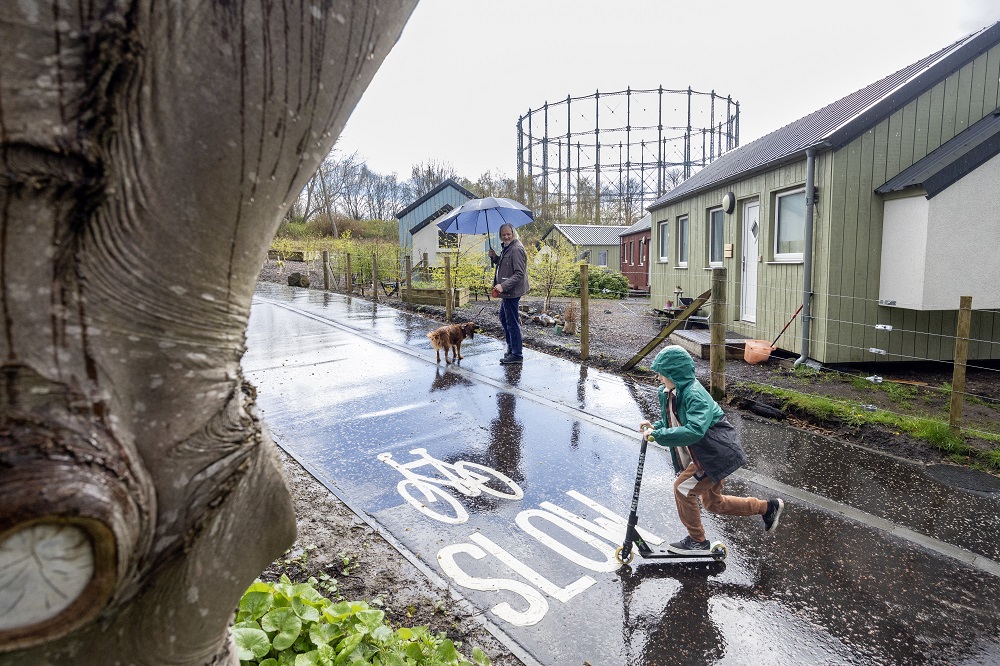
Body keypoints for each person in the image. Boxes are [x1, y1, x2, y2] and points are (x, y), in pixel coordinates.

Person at [639, 345, 784, 553]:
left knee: (682, 489)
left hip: (714, 455)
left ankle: (697, 541)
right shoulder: (677, 391)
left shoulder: (694, 394)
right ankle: (767, 507)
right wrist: (655, 428)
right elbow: (675, 423)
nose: (660, 379)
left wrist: (659, 436)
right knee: (713, 503)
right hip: (710, 453)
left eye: (662, 374)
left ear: (675, 373)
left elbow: (695, 430)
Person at [488, 223, 529, 365]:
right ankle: (511, 348)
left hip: (512, 291)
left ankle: (517, 354)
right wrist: (495, 258)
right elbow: (506, 266)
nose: (506, 236)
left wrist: (503, 286)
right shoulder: (508, 248)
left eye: (508, 234)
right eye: (503, 234)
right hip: (507, 291)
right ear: (500, 235)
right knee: (504, 317)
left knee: (512, 322)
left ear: (513, 233)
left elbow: (519, 273)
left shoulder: (516, 249)